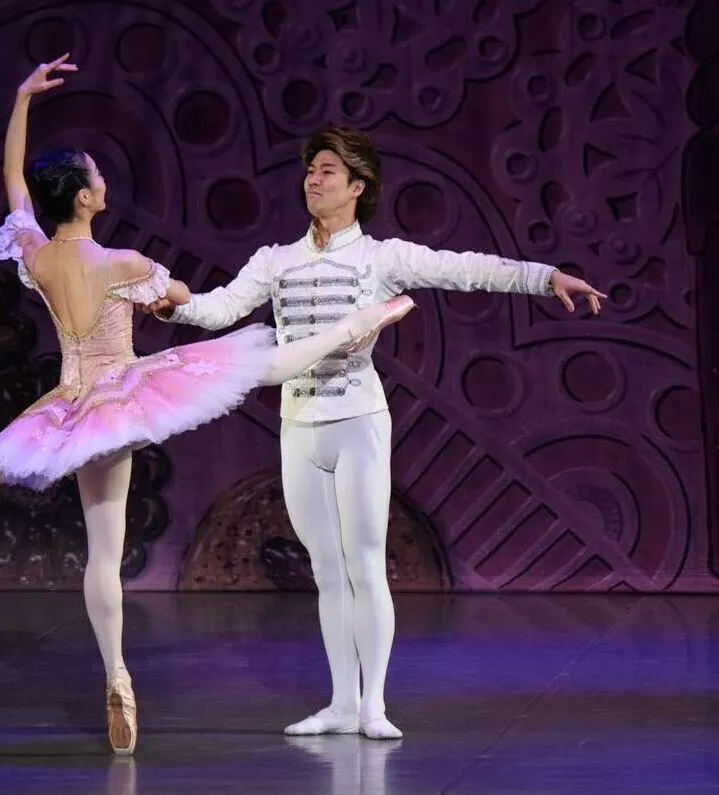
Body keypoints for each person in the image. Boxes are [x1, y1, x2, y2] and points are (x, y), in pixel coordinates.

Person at [0, 57, 415, 757]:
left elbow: (12, 180)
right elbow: (180, 300)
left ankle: (116, 673)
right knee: (258, 359)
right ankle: (358, 324)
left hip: (71, 407)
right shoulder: (124, 263)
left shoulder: (36, 257)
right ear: (87, 198)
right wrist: (170, 295)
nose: (104, 183)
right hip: (124, 394)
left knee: (102, 553)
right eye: (97, 176)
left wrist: (20, 98)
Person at [145, 124, 607, 741]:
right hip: (299, 426)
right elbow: (220, 307)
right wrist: (176, 302)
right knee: (325, 570)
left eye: (328, 171)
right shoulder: (275, 261)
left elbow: (467, 270)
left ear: (357, 186)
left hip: (358, 422)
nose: (314, 179)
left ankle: (374, 705)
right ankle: (341, 703)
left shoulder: (380, 257)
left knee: (365, 563)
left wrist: (544, 277)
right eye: (311, 169)